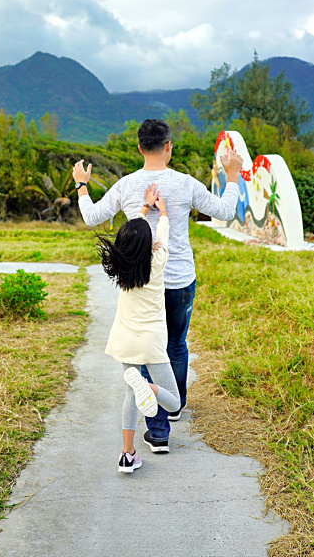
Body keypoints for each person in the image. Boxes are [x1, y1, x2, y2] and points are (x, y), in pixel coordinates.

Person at [74, 118, 244, 453]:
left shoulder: (126, 185)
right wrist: (233, 175)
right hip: (179, 279)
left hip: (139, 284)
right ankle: (172, 406)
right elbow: (225, 211)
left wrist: (82, 185)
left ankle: (158, 429)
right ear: (168, 146)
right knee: (176, 346)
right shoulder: (184, 184)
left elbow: (92, 217)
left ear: (140, 148)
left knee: (146, 351)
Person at [99, 184, 181, 473]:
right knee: (172, 402)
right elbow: (162, 237)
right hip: (151, 342)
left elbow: (131, 235)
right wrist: (164, 212)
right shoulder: (156, 262)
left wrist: (143, 209)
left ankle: (126, 453)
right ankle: (148, 387)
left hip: (125, 340)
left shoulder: (121, 265)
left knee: (130, 396)